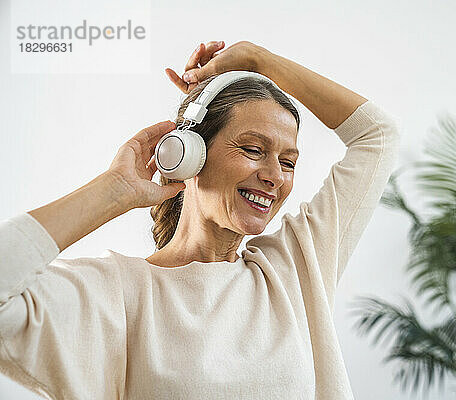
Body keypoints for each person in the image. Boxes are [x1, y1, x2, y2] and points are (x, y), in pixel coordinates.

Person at [0, 40, 401, 399]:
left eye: (288, 162)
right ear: (189, 154)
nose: (275, 176)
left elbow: (377, 135)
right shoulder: (119, 293)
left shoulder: (293, 271)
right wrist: (114, 191)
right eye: (252, 149)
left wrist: (260, 61)